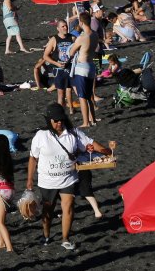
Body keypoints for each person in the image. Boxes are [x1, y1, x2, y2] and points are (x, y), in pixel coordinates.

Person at [26, 103, 113, 250]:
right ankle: (46, 235)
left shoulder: (73, 133)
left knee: (68, 208)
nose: (59, 123)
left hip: (68, 178)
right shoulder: (41, 136)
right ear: (49, 120)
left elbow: (91, 144)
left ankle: (65, 238)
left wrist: (107, 152)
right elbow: (33, 158)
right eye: (55, 120)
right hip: (47, 181)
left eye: (61, 119)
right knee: (48, 211)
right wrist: (29, 179)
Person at [67, 11, 99, 128]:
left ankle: (86, 122)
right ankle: (93, 120)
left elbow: (71, 52)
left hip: (82, 67)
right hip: (91, 66)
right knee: (89, 95)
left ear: (81, 22)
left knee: (82, 97)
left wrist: (73, 44)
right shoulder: (95, 34)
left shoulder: (82, 37)